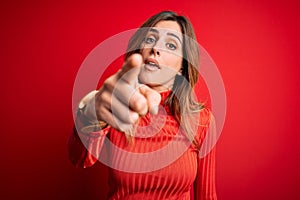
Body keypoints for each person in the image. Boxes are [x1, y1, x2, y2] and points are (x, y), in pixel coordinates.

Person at [68, 11, 217, 200]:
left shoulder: (202, 121)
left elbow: (207, 196)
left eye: (170, 45)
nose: (155, 48)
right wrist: (91, 112)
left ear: (182, 66)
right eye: (150, 39)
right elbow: (79, 158)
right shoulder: (118, 104)